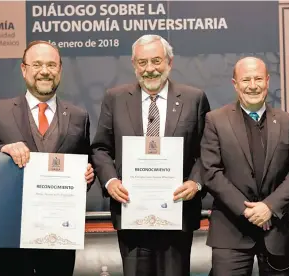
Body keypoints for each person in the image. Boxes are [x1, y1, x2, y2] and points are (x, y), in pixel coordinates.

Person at [0, 40, 95, 275]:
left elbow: (86, 163)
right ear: (24, 69)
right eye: (37, 64)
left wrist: (88, 175)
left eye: (51, 65)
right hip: (10, 235)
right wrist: (2, 151)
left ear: (60, 70)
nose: (44, 71)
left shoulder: (79, 116)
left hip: (59, 236)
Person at [90, 34, 210, 276]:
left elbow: (207, 150)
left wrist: (196, 183)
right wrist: (111, 181)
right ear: (134, 65)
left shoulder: (193, 98)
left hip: (177, 213)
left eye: (156, 61)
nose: (150, 69)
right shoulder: (115, 98)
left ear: (169, 62)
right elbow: (100, 148)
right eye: (142, 62)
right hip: (132, 212)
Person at [200, 57, 289, 276]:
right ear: (235, 84)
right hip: (231, 230)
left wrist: (270, 207)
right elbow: (211, 172)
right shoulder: (215, 120)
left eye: (258, 79)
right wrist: (247, 210)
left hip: (278, 230)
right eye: (246, 80)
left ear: (267, 80)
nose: (253, 86)